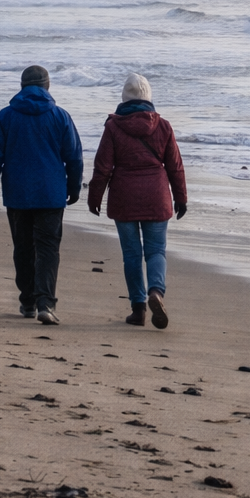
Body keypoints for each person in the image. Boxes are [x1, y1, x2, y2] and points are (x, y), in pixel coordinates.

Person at [0, 65, 83, 326]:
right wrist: (73, 188)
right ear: (47, 86)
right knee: (48, 249)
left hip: (17, 193)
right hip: (51, 193)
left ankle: (27, 301)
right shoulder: (61, 117)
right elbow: (74, 157)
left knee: (23, 248)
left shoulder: (6, 117)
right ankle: (45, 303)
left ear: (22, 86)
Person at [87, 72, 187, 328]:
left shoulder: (113, 126)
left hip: (124, 198)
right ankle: (156, 291)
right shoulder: (163, 126)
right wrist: (181, 198)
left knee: (131, 254)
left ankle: (138, 308)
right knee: (156, 251)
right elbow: (175, 166)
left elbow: (102, 167)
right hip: (157, 196)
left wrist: (94, 197)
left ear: (124, 98)